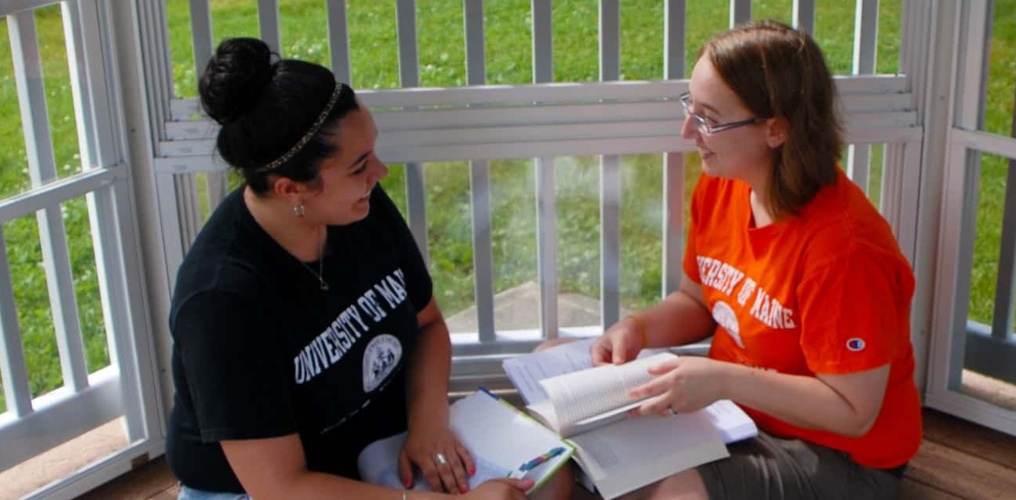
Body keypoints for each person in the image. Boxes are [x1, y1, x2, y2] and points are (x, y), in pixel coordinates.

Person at [166, 37, 561, 500]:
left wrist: (429, 424)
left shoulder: (355, 208)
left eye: (372, 152)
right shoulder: (221, 301)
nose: (381, 172)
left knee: (549, 484)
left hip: (375, 450)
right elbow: (281, 487)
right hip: (275, 491)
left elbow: (428, 325)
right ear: (292, 190)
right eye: (358, 167)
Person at [586, 20, 921, 500]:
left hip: (841, 456)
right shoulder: (724, 182)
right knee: (570, 387)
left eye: (708, 118)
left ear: (775, 130)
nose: (688, 132)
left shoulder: (845, 251)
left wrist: (722, 379)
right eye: (690, 108)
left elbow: (854, 411)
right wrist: (637, 330)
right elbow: (697, 301)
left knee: (667, 491)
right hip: (738, 417)